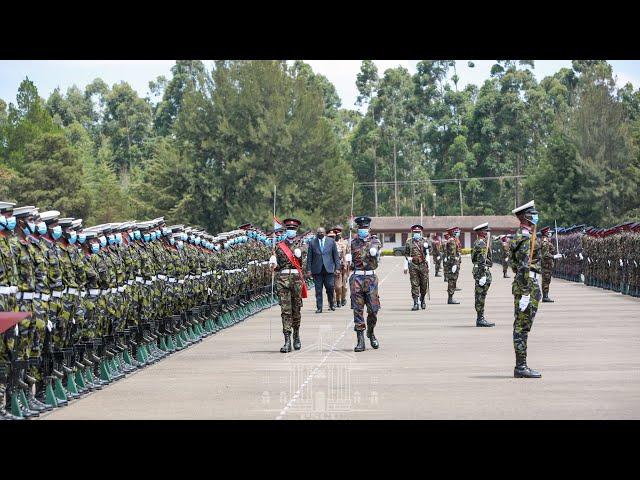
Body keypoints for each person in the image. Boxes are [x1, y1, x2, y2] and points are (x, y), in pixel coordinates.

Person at [510, 200, 542, 378]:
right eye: (534, 214)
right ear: (527, 217)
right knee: (522, 327)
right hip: (526, 284)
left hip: (527, 283)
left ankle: (521, 365)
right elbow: (523, 266)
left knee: (522, 326)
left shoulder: (521, 236)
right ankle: (521, 367)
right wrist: (525, 292)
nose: (536, 217)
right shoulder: (524, 238)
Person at [269, 218, 306, 353]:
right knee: (285, 311)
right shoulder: (279, 246)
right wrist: (273, 263)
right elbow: (276, 267)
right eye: (288, 229)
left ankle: (296, 334)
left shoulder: (302, 244)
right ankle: (287, 341)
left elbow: (304, 265)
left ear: (296, 231)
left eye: (293, 229)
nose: (291, 231)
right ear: (286, 230)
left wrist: (300, 255)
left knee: (296, 310)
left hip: (296, 279)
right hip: (283, 280)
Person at [346, 216, 381, 352]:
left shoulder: (374, 240)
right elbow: (348, 259)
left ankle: (371, 332)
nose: (363, 230)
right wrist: (347, 259)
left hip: (371, 278)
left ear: (369, 228)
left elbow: (375, 249)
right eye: (360, 228)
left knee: (373, 309)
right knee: (357, 309)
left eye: (365, 228)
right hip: (357, 278)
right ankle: (360, 340)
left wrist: (373, 251)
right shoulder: (353, 243)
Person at [306, 227, 341, 313]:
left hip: (328, 269)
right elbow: (309, 257)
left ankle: (331, 303)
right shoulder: (312, 242)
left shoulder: (331, 241)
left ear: (325, 233)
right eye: (318, 233)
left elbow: (335, 256)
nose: (320, 234)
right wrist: (309, 270)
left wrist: (337, 268)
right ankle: (319, 307)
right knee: (318, 290)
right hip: (317, 270)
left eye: (321, 232)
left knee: (330, 287)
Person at [471, 223, 494, 327]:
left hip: (481, 270)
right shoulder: (481, 243)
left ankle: (480, 317)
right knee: (480, 295)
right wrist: (483, 275)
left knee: (481, 294)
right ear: (481, 232)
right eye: (485, 231)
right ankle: (480, 319)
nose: (487, 233)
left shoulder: (481, 242)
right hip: (482, 271)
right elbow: (481, 260)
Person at [403, 224, 430, 311]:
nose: (417, 233)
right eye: (415, 232)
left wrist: (428, 265)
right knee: (414, 284)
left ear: (421, 232)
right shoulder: (409, 242)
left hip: (423, 264)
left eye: (418, 232)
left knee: (424, 284)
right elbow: (406, 254)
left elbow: (429, 253)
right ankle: (415, 303)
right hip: (413, 265)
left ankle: (422, 299)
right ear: (412, 233)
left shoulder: (425, 241)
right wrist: (405, 266)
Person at [540, 226, 562, 302]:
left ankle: (545, 296)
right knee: (546, 280)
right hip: (546, 264)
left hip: (547, 264)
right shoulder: (545, 242)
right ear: (545, 233)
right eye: (548, 232)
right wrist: (554, 256)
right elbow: (545, 254)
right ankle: (545, 297)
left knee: (547, 280)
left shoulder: (546, 241)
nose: (550, 233)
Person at [444, 226, 461, 304]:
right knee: (452, 280)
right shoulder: (452, 241)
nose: (458, 233)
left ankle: (451, 297)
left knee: (453, 280)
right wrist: (454, 264)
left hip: (453, 263)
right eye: (456, 231)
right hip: (452, 263)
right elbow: (452, 253)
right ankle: (450, 298)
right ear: (453, 232)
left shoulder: (453, 240)